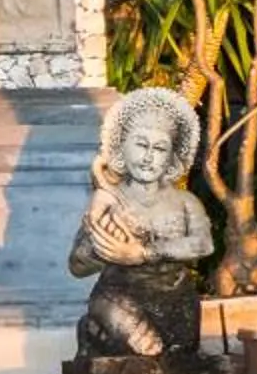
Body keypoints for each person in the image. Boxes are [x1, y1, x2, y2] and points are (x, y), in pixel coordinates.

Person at [68, 87, 213, 360]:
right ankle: (118, 333)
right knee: (103, 306)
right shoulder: (110, 202)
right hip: (120, 298)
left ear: (171, 159)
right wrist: (100, 246)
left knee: (178, 343)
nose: (148, 156)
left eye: (159, 149)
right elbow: (77, 266)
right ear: (121, 149)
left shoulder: (185, 202)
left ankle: (127, 337)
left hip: (174, 300)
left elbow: (203, 244)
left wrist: (142, 253)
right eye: (140, 145)